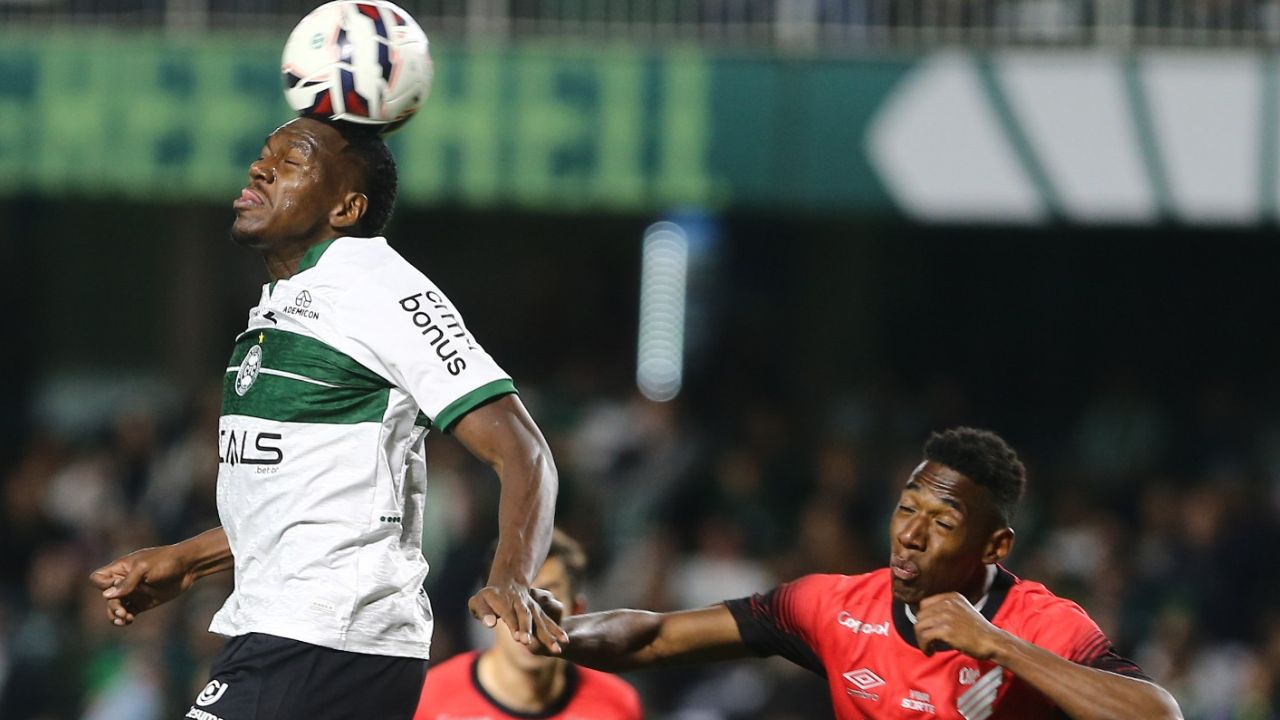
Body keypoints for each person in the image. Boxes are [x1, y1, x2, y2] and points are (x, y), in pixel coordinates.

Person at [88, 116, 566, 720]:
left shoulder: (376, 285)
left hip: (327, 638)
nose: (259, 169)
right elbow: (318, 502)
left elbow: (526, 452)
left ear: (347, 207)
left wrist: (513, 573)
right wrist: (188, 561)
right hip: (300, 638)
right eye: (264, 156)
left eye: (291, 162)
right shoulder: (288, 304)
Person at [539, 427, 1184, 720]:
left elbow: (1158, 715)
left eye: (942, 521)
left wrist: (996, 647)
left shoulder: (1041, 624)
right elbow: (655, 637)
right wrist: (557, 632)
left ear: (995, 547)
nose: (908, 533)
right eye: (907, 508)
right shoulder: (833, 606)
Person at [414, 529, 642, 720]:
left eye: (548, 598)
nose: (530, 616)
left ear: (576, 610)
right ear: (490, 606)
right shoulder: (428, 701)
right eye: (516, 597)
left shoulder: (617, 705)